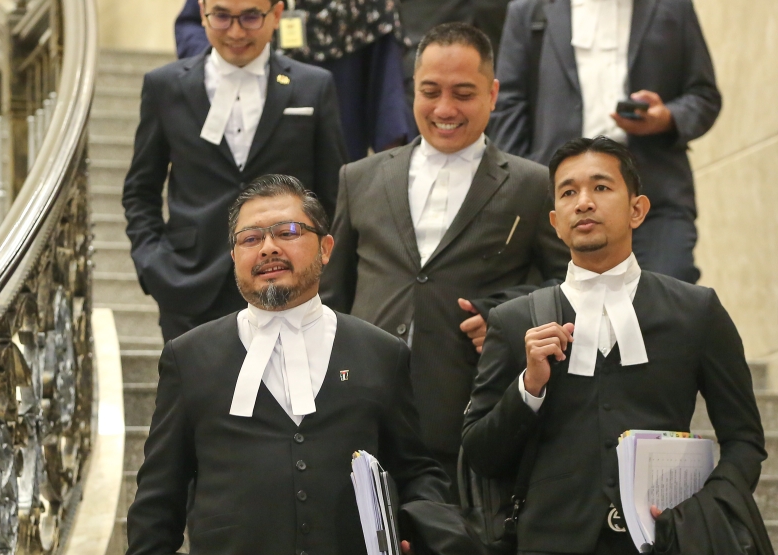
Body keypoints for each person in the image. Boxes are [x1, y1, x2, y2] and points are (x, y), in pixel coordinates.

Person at [123, 175, 452, 555]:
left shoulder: (380, 353)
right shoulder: (191, 356)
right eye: (251, 238)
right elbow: (159, 490)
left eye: (288, 232)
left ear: (325, 247)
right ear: (233, 255)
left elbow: (416, 469)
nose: (269, 249)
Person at [462, 136, 765, 555]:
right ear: (554, 219)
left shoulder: (696, 312)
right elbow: (480, 455)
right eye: (568, 192)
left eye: (601, 187)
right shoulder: (515, 323)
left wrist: (700, 514)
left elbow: (744, 440)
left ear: (637, 208)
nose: (584, 202)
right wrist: (528, 388)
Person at [320, 22, 568, 493]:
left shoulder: (533, 185)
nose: (445, 109)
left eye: (464, 93)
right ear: (411, 90)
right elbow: (331, 294)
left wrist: (502, 315)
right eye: (429, 91)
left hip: (468, 412)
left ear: (493, 94)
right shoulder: (359, 177)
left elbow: (568, 281)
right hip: (361, 408)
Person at [124, 0, 346, 342]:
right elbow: (141, 189)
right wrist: (152, 265)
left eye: (251, 17)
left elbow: (332, 194)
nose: (237, 31)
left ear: (276, 13)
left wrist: (320, 271)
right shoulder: (165, 86)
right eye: (223, 17)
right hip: (189, 283)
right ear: (202, 13)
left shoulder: (313, 86)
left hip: (286, 283)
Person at [489, 0, 721, 284]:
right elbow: (508, 106)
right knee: (572, 317)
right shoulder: (529, 10)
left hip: (655, 196)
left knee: (666, 307)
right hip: (564, 199)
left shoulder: (672, 6)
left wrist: (667, 117)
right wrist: (533, 185)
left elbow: (704, 96)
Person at [175, 0, 413, 161]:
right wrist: (230, 64)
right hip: (243, 100)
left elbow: (386, 84)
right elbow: (195, 23)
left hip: (341, 106)